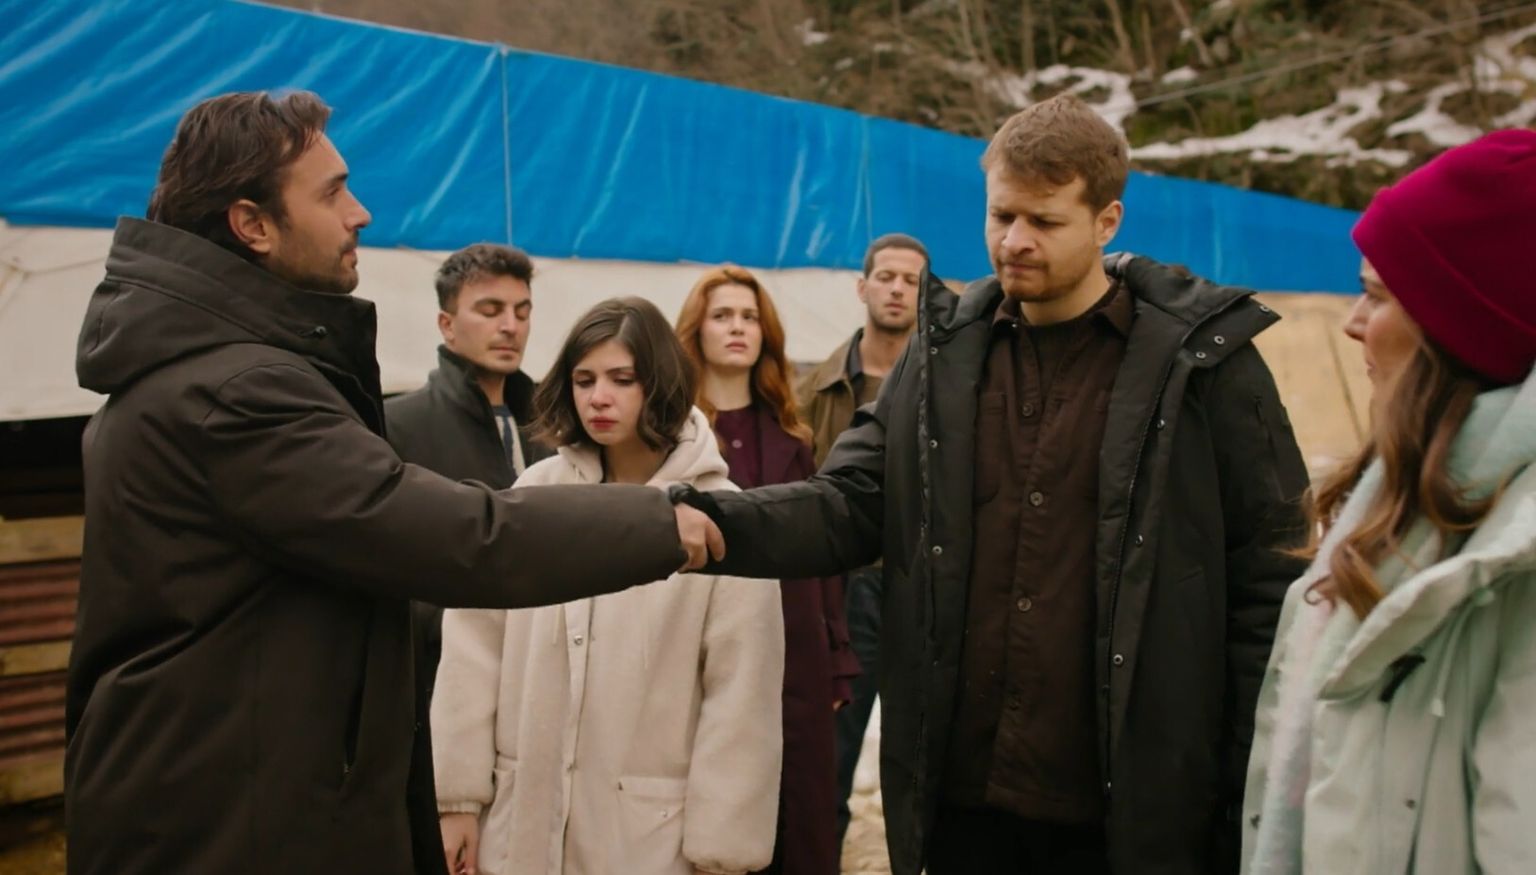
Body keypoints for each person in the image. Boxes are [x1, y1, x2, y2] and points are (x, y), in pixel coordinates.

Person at [65, 91, 721, 875]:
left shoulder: (216, 371)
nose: (362, 213)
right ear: (253, 225)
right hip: (224, 824)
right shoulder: (233, 393)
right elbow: (453, 536)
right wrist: (658, 521)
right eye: (333, 192)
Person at [674, 92, 1310, 874]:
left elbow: (1270, 580)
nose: (1014, 241)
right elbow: (848, 503)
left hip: (1129, 816)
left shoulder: (1203, 366)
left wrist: (1245, 789)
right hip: (963, 809)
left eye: (1044, 221)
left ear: (1107, 221)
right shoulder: (944, 354)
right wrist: (708, 523)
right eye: (1001, 215)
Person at [1242, 130, 1536, 874]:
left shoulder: (1515, 565)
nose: (1351, 321)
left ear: (1463, 329)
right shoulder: (1390, 505)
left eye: (1375, 295)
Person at [432, 296, 784, 875]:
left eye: (622, 379)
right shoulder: (533, 496)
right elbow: (474, 650)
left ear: (661, 382)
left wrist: (721, 853)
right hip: (520, 829)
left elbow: (740, 697)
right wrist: (457, 801)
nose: (598, 397)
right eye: (584, 379)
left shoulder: (720, 518)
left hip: (650, 843)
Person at [675, 266, 859, 875]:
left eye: (750, 317)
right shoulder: (673, 436)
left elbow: (820, 553)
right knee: (712, 813)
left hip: (794, 650)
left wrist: (836, 658)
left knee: (799, 813)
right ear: (696, 331)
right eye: (722, 316)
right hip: (700, 652)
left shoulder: (791, 437)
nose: (738, 328)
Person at [794, 233, 928, 844]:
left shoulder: (949, 387)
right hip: (843, 591)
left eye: (912, 280)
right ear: (862, 286)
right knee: (829, 758)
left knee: (925, 759)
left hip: (923, 590)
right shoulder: (813, 393)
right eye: (886, 277)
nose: (898, 289)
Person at [387, 243, 551, 708]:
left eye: (522, 312)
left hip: (540, 675)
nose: (510, 326)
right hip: (440, 683)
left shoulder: (554, 429)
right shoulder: (397, 425)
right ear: (447, 324)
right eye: (490, 310)